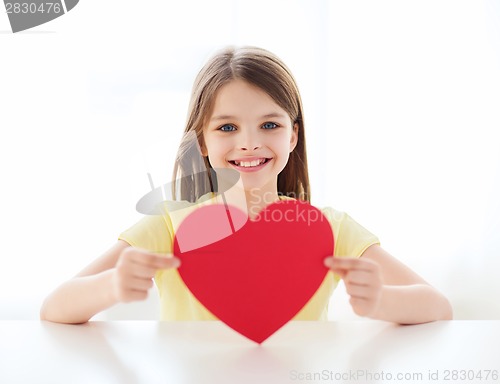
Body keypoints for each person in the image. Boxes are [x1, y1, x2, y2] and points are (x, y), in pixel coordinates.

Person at [40, 46, 452, 325]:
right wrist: (111, 286)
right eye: (228, 127)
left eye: (269, 125)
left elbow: (438, 306)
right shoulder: (170, 226)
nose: (250, 142)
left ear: (293, 136)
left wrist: (382, 300)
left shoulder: (329, 229)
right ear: (202, 140)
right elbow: (54, 308)